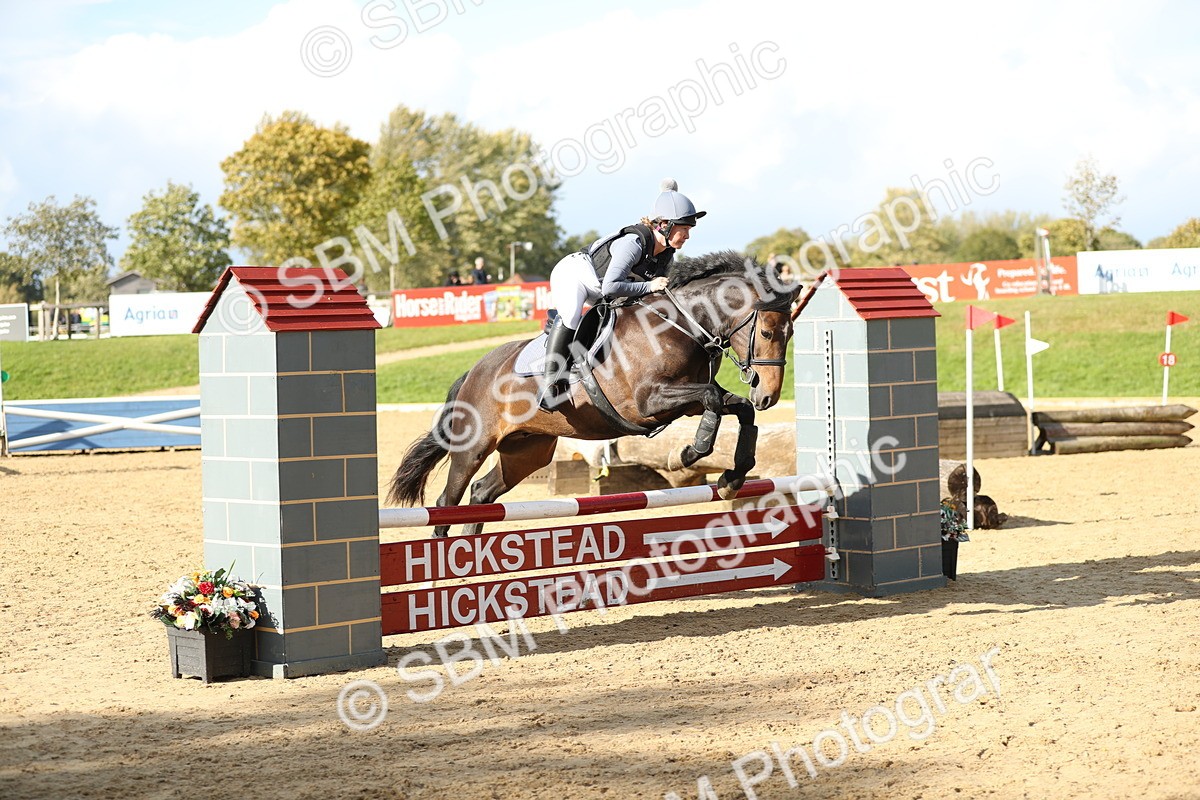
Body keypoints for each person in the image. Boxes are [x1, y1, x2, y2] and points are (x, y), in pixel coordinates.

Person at [540, 178, 706, 409]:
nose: (687, 235)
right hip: (575, 276)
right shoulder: (634, 243)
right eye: (684, 228)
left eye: (689, 229)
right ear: (665, 224)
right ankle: (550, 385)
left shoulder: (666, 253)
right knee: (570, 317)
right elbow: (611, 287)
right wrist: (649, 286)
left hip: (604, 290)